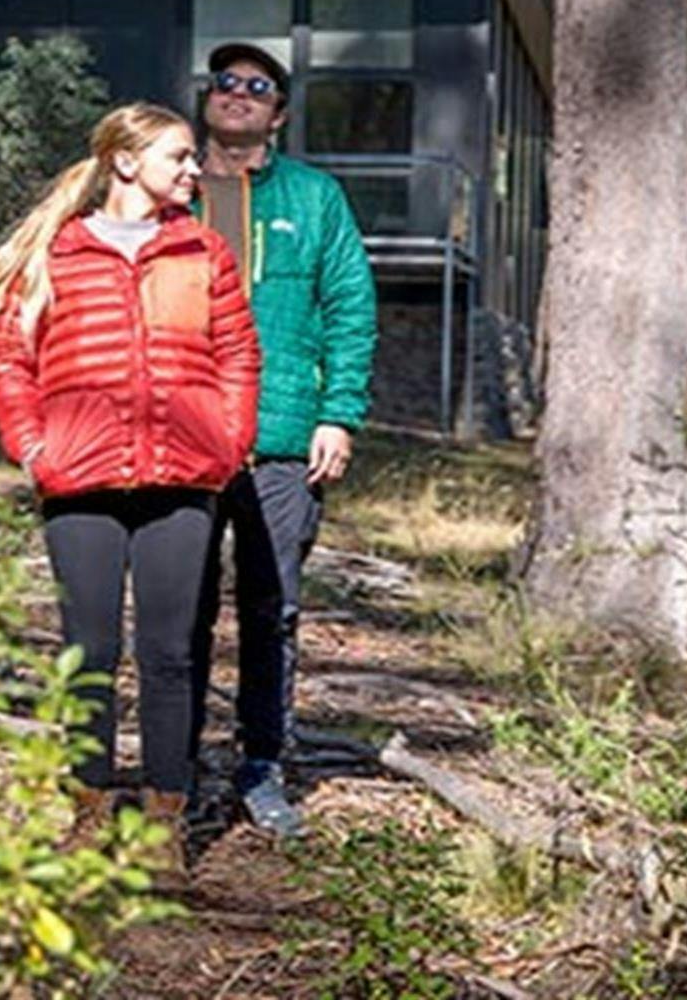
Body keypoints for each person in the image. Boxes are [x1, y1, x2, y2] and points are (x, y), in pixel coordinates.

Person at [0, 102, 261, 862]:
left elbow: (238, 354)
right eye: (180, 157)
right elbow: (5, 356)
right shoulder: (57, 253)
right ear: (128, 163)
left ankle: (165, 824)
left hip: (183, 480)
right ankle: (88, 812)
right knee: (87, 651)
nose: (195, 170)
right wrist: (34, 448)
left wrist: (227, 444)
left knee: (169, 654)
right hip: (80, 481)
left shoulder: (202, 251)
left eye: (194, 158)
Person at [191, 42, 377, 841]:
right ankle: (181, 770)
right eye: (224, 82)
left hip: (281, 440)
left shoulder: (315, 197)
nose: (236, 93)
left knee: (273, 611)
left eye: (255, 87)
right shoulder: (174, 189)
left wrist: (338, 413)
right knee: (181, 615)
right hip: (183, 441)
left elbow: (351, 307)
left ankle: (262, 768)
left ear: (279, 113)